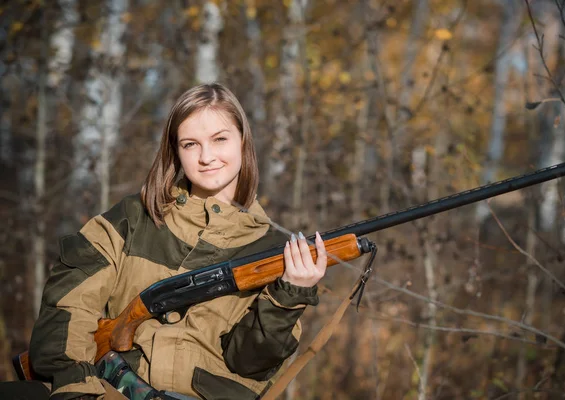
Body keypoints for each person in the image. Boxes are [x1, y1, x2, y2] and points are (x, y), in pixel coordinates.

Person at [1, 83, 327, 399]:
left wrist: (289, 295)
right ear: (176, 151)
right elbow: (69, 307)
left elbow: (250, 363)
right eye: (190, 144)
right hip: (111, 388)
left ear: (243, 141)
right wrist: (77, 389)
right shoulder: (132, 217)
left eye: (220, 139)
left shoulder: (271, 248)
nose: (206, 156)